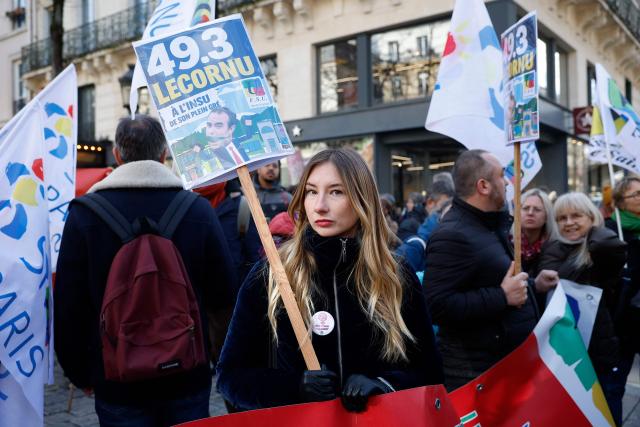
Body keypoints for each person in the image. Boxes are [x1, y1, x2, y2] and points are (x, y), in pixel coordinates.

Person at [217, 148, 443, 412]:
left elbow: (430, 371)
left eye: (336, 191)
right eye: (311, 191)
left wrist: (384, 385)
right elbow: (230, 376)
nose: (320, 205)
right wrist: (294, 388)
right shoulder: (271, 275)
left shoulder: (395, 275)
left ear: (361, 198)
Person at [54, 115, 237, 426]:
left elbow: (69, 306)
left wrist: (80, 372)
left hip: (117, 378)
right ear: (164, 154)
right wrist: (220, 359)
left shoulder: (84, 215)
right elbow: (224, 297)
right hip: (187, 375)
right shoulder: (198, 210)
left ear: (117, 154)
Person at [424, 149, 556, 391]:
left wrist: (533, 285)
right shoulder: (452, 235)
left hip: (503, 365)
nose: (507, 182)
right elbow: (438, 305)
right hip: (476, 375)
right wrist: (502, 297)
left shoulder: (489, 225)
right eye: (501, 175)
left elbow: (492, 277)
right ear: (483, 186)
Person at [538, 192, 626, 425]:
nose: (568, 223)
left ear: (592, 217)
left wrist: (593, 233)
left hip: (599, 347)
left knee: (604, 411)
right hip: (565, 348)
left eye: (576, 216)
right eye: (561, 218)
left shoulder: (602, 246)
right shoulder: (553, 249)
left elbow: (610, 246)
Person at [609, 177, 640, 421]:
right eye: (636, 194)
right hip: (622, 324)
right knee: (614, 388)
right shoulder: (610, 230)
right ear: (620, 201)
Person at [517, 188, 558, 276]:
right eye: (525, 208)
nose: (530, 213)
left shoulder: (555, 246)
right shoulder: (506, 242)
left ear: (547, 216)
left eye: (537, 209)